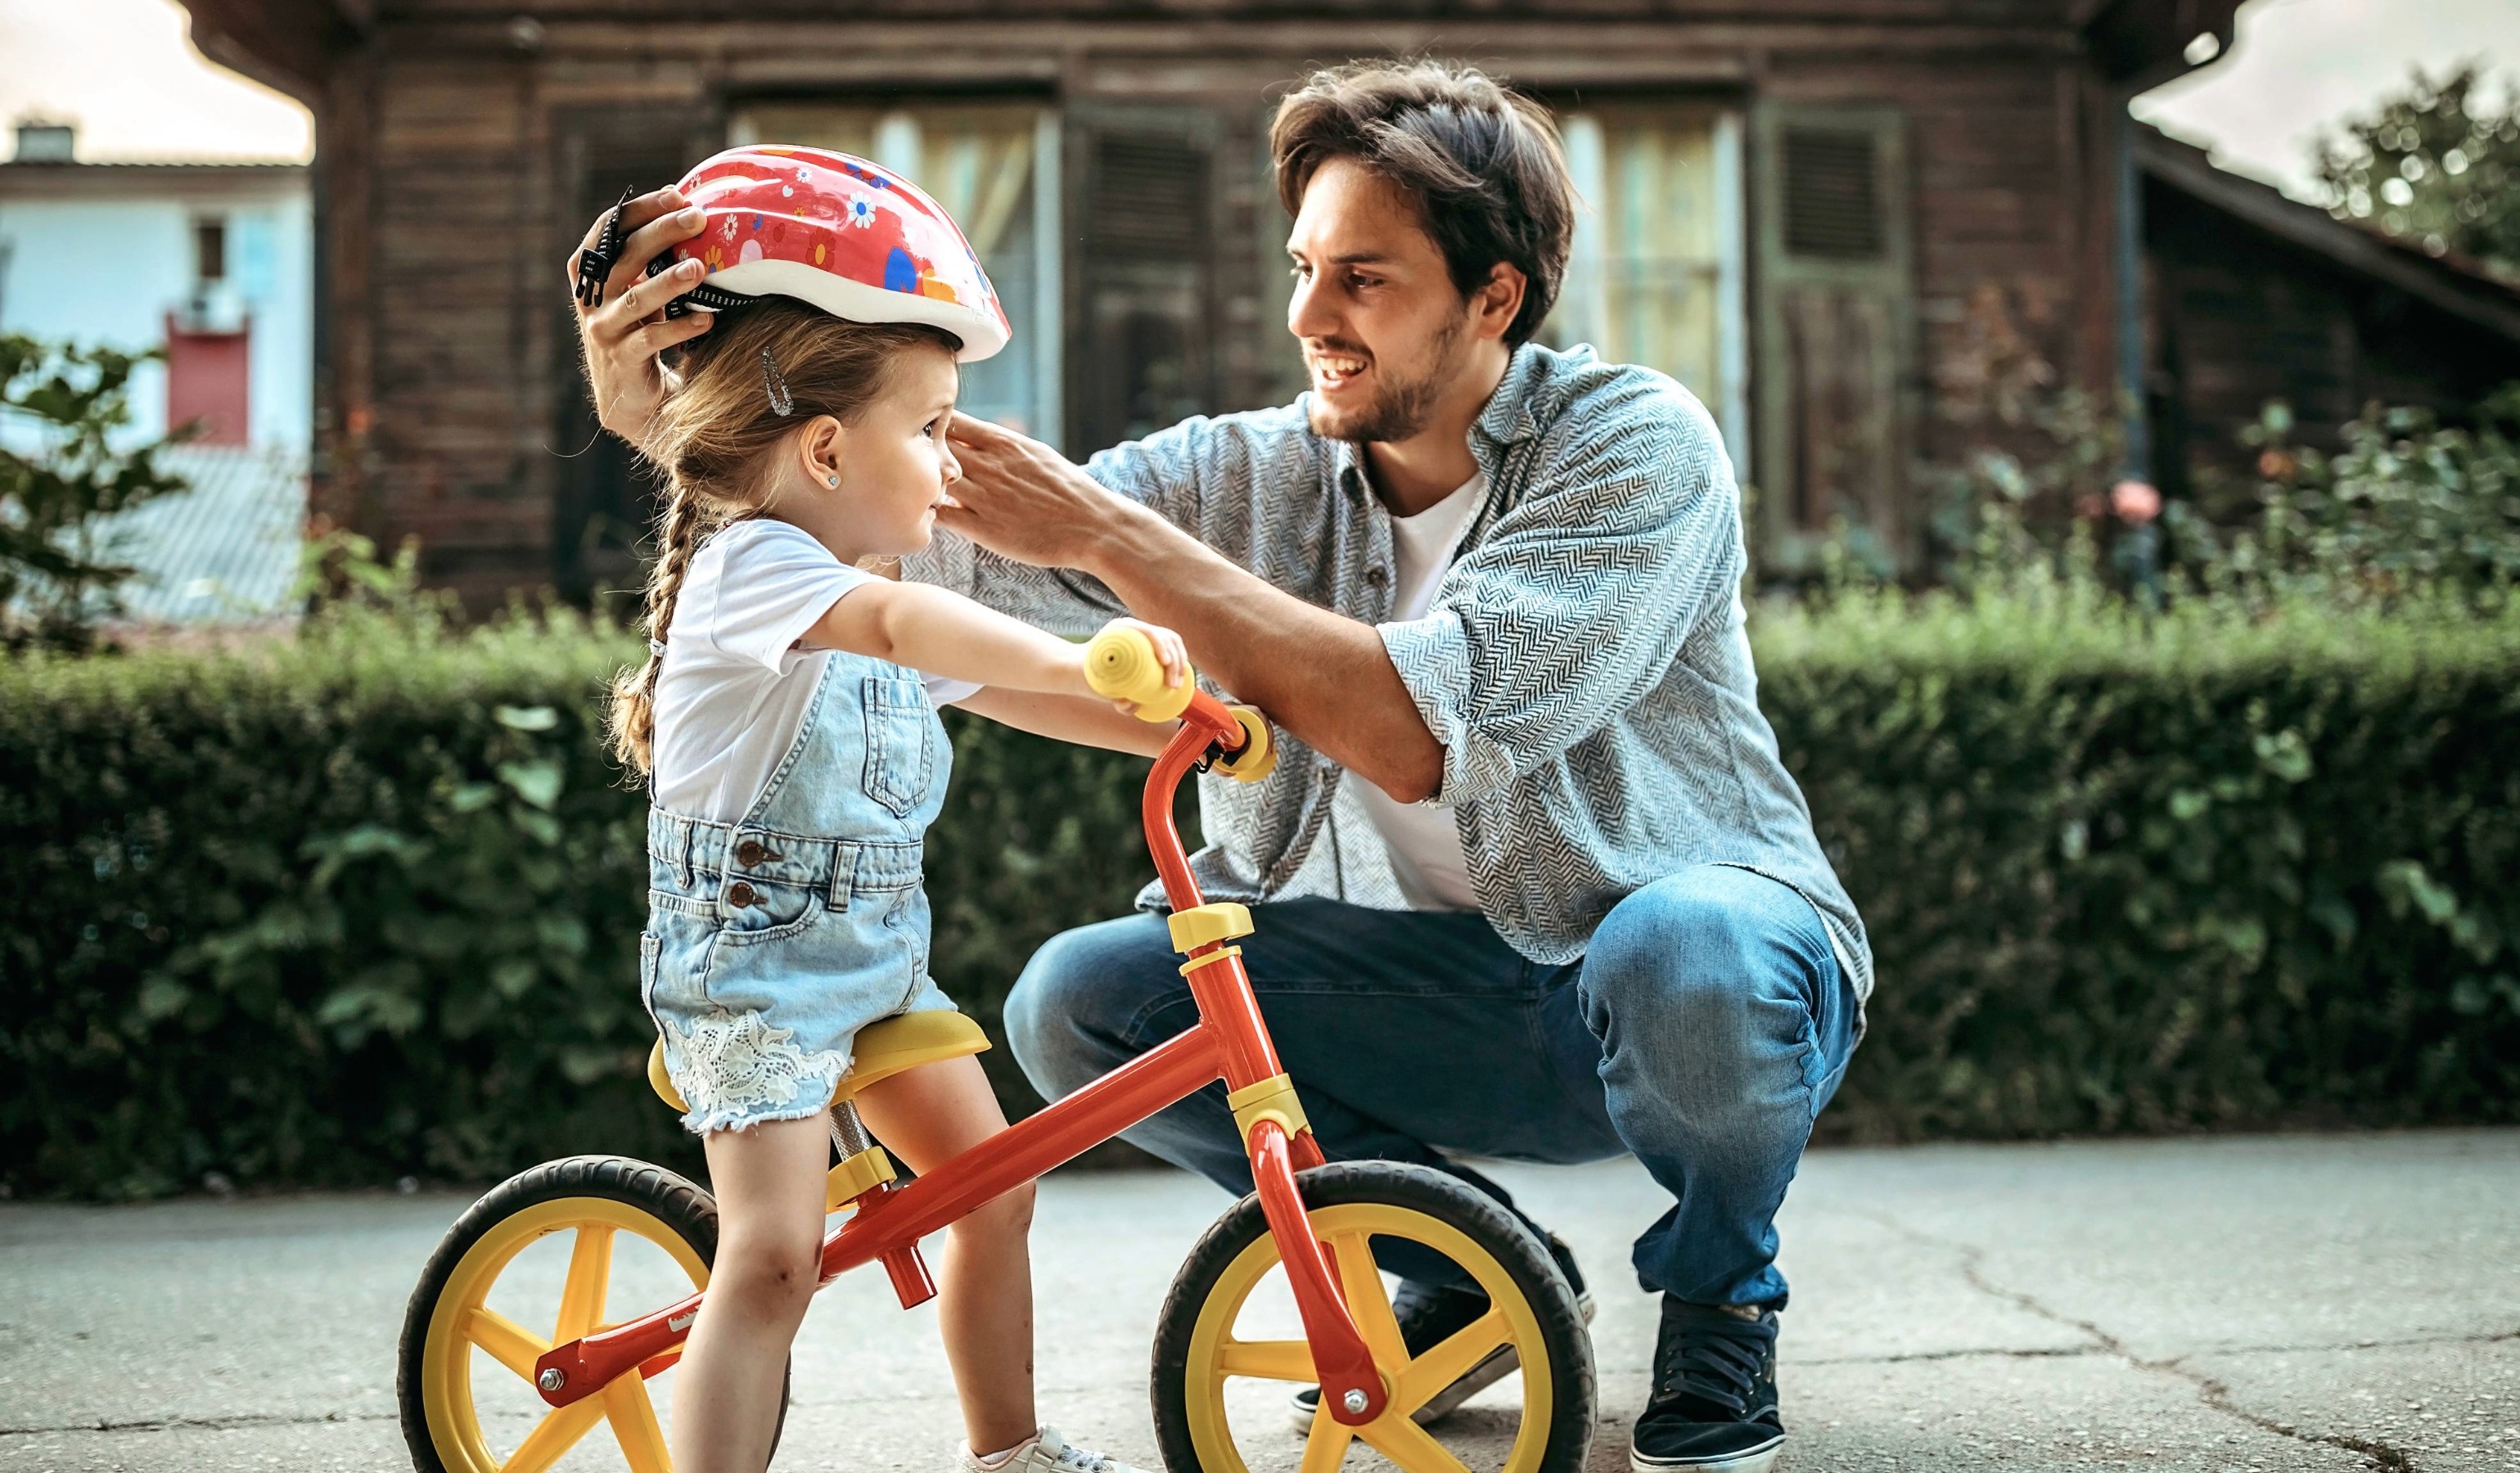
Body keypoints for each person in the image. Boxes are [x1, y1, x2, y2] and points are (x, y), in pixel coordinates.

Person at [576, 63, 1871, 1473]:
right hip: (1410, 986)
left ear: (1492, 298)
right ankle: (1457, 1266)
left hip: (1654, 978)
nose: (1310, 317)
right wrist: (688, 432)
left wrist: (1115, 544)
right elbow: (877, 528)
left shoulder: (1634, 448)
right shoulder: (1243, 473)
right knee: (1083, 1002)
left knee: (1691, 948)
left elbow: (1418, 727)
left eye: (1364, 280)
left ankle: (1721, 1305)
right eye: (1306, 268)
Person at [594, 147, 1184, 1473]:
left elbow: (1026, 697)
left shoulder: (851, 570)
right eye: (928, 430)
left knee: (994, 1184)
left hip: (874, 974)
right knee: (772, 1260)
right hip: (746, 985)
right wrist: (1085, 649)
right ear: (822, 446)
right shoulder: (758, 568)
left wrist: (1178, 722)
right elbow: (911, 623)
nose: (947, 460)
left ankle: (1009, 1451)